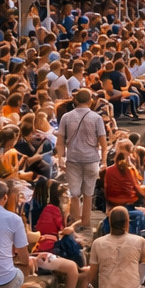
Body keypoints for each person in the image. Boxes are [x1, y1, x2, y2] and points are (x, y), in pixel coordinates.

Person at [57, 89, 108, 226]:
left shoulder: (66, 117)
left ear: (76, 100)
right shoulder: (96, 118)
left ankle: (75, 222)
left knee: (74, 193)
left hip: (73, 158)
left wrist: (60, 158)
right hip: (91, 158)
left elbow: (60, 141)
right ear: (90, 101)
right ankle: (85, 223)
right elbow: (103, 143)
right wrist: (104, 161)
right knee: (88, 194)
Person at [88, 206, 145, 288]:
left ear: (109, 222)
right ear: (127, 223)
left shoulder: (97, 243)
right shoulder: (139, 241)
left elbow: (93, 278)